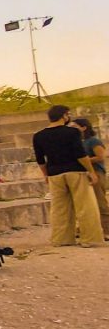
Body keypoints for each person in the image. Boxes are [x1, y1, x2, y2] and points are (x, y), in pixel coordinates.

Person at [33, 105, 103, 247]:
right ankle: (89, 239)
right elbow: (80, 155)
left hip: (54, 174)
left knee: (59, 209)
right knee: (85, 206)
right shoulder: (72, 132)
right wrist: (91, 171)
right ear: (64, 116)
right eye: (68, 114)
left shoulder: (39, 136)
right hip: (75, 172)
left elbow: (40, 159)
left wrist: (46, 175)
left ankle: (61, 239)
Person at [71, 118, 109, 238]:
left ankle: (107, 230)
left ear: (83, 127)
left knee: (100, 202)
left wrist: (84, 160)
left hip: (97, 172)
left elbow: (101, 156)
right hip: (83, 173)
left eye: (75, 126)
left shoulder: (92, 141)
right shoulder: (78, 142)